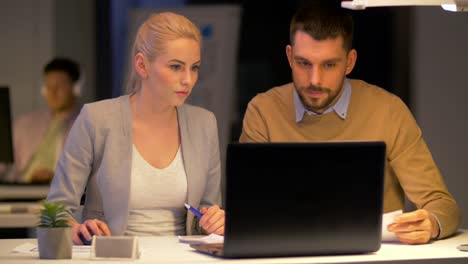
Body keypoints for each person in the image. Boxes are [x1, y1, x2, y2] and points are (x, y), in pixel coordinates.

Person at [239, 3, 460, 245]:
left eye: (329, 65)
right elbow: (246, 208)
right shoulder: (263, 111)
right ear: (290, 57)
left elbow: (443, 205)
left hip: (374, 258)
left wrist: (431, 224)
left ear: (350, 61)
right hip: (287, 255)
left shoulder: (388, 111)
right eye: (304, 63)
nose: (314, 80)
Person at [47, 12, 225, 245]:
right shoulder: (97, 118)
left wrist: (215, 220)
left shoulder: (204, 123)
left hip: (184, 257)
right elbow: (54, 212)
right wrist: (76, 229)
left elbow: (208, 208)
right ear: (142, 65)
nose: (188, 80)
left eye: (195, 68)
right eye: (176, 67)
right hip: (112, 257)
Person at [1, 57, 81, 183]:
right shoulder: (25, 123)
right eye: (49, 86)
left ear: (76, 88)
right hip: (22, 189)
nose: (52, 92)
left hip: (62, 191)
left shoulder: (86, 124)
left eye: (59, 86)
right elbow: (3, 163)